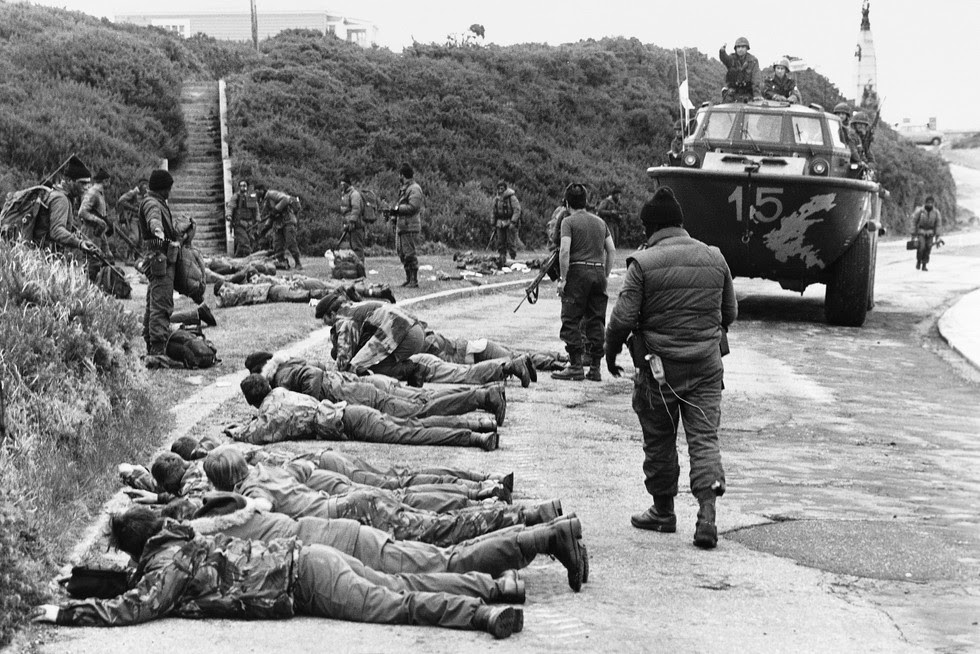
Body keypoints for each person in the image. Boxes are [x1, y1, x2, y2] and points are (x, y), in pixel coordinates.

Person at [31, 507, 526, 639]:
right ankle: (495, 585)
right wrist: (77, 577)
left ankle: (480, 615)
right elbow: (133, 582)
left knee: (396, 604)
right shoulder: (179, 537)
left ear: (137, 547)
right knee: (404, 583)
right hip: (309, 558)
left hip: (306, 580)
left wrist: (64, 612)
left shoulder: (168, 564)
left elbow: (133, 606)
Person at [605, 186, 737, 549]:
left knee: (660, 440)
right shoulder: (715, 257)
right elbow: (730, 314)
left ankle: (663, 512)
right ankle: (707, 514)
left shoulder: (643, 264)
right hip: (707, 369)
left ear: (649, 229)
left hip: (659, 370)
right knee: (704, 439)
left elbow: (622, 319)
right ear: (681, 223)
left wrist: (611, 351)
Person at [186, 490, 587, 590]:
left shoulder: (214, 538)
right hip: (346, 535)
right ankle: (542, 531)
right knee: (445, 551)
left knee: (447, 562)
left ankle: (546, 537)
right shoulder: (246, 509)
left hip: (344, 546)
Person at [204, 446, 567, 550]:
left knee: (440, 532)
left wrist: (235, 504)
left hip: (351, 513)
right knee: (431, 517)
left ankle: (530, 518)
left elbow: (262, 508)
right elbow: (303, 466)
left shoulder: (251, 491)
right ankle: (529, 514)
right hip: (352, 501)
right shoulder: (265, 471)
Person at [319, 292, 564, 372]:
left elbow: (345, 361)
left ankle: (537, 361)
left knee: (471, 354)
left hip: (413, 340)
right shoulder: (360, 308)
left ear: (331, 313)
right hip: (416, 332)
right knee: (472, 350)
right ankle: (550, 357)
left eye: (325, 320)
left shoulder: (345, 319)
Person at [230, 379, 501, 451]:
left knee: (412, 431)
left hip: (350, 420)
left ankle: (474, 436)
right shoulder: (279, 392)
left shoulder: (271, 412)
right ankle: (479, 423)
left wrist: (235, 430)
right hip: (350, 411)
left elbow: (257, 435)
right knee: (416, 419)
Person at [246, 351, 507, 425]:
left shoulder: (282, 376)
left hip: (355, 394)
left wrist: (313, 404)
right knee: (422, 401)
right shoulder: (285, 369)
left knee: (418, 411)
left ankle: (484, 396)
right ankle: (485, 393)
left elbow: (313, 375)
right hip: (355, 389)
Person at [325, 298, 534, 387]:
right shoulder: (365, 322)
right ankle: (516, 362)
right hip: (418, 342)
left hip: (426, 352)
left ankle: (513, 363)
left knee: (465, 364)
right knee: (469, 354)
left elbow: (346, 363)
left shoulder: (349, 322)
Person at [551, 183, 616, 382]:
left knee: (571, 319)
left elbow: (564, 251)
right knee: (596, 320)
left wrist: (563, 279)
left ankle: (576, 366)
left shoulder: (568, 222)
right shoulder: (600, 222)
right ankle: (595, 368)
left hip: (578, 272)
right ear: (586, 201)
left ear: (567, 202)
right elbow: (611, 250)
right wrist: (604, 274)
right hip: (598, 271)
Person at [249, 448, 512, 494]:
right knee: (401, 476)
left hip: (322, 468)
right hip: (324, 459)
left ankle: (482, 487)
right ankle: (485, 480)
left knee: (397, 485)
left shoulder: (231, 467)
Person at [138, 169, 179, 361]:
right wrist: (158, 230)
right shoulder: (152, 203)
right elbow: (153, 219)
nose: (170, 192)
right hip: (159, 258)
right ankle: (157, 348)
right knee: (161, 303)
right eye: (168, 189)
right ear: (163, 189)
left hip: (158, 258)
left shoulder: (155, 201)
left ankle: (152, 343)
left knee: (153, 301)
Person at [39, 155, 100, 261]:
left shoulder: (58, 194)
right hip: (43, 257)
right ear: (68, 180)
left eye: (88, 184)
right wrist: (79, 243)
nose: (86, 188)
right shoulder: (61, 199)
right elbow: (56, 231)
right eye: (82, 183)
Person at [213, 275, 395, 308]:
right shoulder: (237, 288)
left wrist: (221, 294)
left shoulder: (232, 291)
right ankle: (344, 290)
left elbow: (224, 300)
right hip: (272, 291)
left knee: (304, 296)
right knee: (305, 295)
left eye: (221, 290)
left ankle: (340, 291)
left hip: (272, 291)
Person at [390, 163, 423, 288]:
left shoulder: (414, 189)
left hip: (410, 226)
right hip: (403, 226)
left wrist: (397, 209)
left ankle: (413, 280)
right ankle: (408, 279)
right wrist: (393, 214)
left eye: (399, 175)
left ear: (402, 175)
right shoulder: (406, 188)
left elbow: (413, 207)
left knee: (409, 253)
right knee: (402, 253)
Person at [255, 183, 302, 270]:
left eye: (256, 191)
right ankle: (282, 262)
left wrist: (276, 209)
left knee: (291, 242)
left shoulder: (272, 194)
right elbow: (271, 217)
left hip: (288, 221)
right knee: (277, 245)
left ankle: (298, 262)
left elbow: (285, 199)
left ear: (261, 190)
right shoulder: (266, 201)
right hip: (278, 224)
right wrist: (264, 229)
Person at [78, 168, 112, 281]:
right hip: (90, 229)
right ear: (105, 181)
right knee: (92, 259)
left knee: (105, 257)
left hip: (98, 231)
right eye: (108, 181)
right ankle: (87, 286)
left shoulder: (99, 193)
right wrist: (97, 220)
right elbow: (82, 212)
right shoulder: (93, 193)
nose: (109, 184)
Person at [718, 37, 761, 102]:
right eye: (738, 47)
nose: (740, 49)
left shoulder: (753, 61)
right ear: (735, 49)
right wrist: (722, 52)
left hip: (747, 92)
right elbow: (725, 59)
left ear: (747, 48)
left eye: (743, 47)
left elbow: (756, 79)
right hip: (733, 91)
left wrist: (756, 95)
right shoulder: (732, 58)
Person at [114, 178, 147, 262]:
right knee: (134, 238)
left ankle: (138, 259)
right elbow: (121, 200)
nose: (146, 187)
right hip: (133, 219)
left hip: (143, 220)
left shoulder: (147, 195)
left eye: (146, 184)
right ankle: (130, 256)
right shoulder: (134, 194)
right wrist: (133, 208)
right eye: (144, 184)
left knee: (141, 241)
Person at [491, 180, 521, 265]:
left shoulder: (512, 198)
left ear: (505, 189)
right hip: (500, 222)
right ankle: (502, 258)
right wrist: (493, 224)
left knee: (511, 242)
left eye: (502, 189)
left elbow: (517, 210)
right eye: (499, 189)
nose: (500, 190)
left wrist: (513, 222)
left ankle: (513, 258)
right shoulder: (496, 199)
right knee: (500, 241)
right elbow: (493, 212)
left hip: (510, 221)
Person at [226, 179, 259, 257]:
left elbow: (256, 208)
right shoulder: (236, 196)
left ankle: (237, 257)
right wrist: (229, 215)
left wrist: (257, 218)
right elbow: (230, 206)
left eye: (244, 186)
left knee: (249, 241)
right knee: (245, 241)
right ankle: (249, 257)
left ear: (247, 187)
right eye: (241, 186)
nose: (242, 187)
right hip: (239, 223)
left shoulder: (251, 196)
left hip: (250, 224)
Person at [339, 174, 366, 262]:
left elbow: (356, 209)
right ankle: (356, 267)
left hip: (356, 225)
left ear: (347, 184)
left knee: (357, 248)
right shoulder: (346, 194)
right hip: (350, 226)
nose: (341, 186)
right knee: (353, 247)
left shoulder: (354, 194)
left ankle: (360, 267)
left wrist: (352, 221)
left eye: (343, 184)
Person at [912, 196, 942, 271]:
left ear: (933, 204)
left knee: (928, 248)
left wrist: (937, 236)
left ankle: (924, 264)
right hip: (921, 232)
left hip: (930, 233)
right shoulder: (920, 211)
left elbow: (938, 224)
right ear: (925, 203)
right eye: (928, 203)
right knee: (921, 247)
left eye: (931, 203)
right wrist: (913, 233)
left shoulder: (936, 212)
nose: (929, 204)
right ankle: (919, 261)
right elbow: (914, 221)